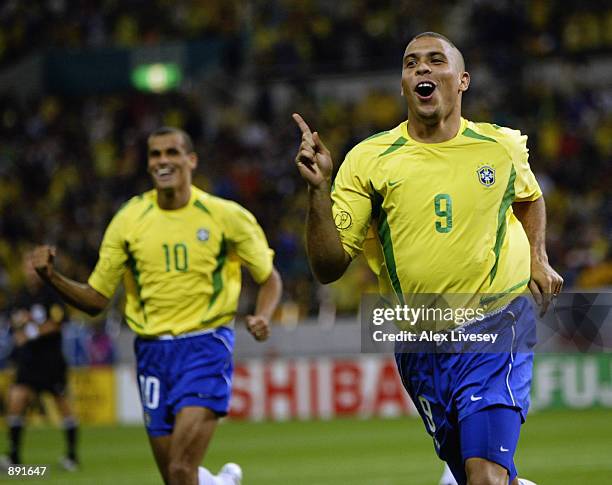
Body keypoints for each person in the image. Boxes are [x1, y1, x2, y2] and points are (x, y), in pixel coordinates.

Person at [292, 32, 563, 485]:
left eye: (435, 60)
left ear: (462, 81)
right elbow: (327, 267)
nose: (421, 68)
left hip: (496, 323)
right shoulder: (369, 159)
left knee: (484, 477)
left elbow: (529, 197)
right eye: (410, 63)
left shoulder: (500, 146)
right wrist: (319, 191)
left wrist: (537, 256)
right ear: (403, 84)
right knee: (478, 477)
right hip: (420, 343)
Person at [32, 126, 282, 485]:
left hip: (205, 346)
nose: (163, 160)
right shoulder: (128, 220)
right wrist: (52, 277)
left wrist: (263, 314)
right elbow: (96, 299)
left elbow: (269, 278)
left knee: (181, 469)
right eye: (155, 154)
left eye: (172, 152)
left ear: (191, 160)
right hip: (151, 354)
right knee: (175, 477)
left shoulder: (226, 216)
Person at [1, 251, 79, 471]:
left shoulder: (51, 293)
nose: (30, 270)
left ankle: (72, 456)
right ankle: (14, 457)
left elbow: (59, 321)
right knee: (16, 402)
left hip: (51, 361)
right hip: (28, 361)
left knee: (63, 406)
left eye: (33, 266)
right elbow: (12, 321)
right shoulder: (20, 296)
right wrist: (18, 327)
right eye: (26, 266)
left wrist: (32, 330)